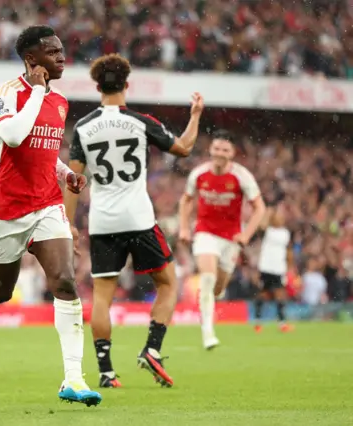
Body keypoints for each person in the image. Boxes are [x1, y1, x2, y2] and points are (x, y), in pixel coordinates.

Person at [0, 25, 101, 406]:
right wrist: (34, 91)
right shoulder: (3, 94)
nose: (62, 57)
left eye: (63, 50)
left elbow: (45, 153)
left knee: (65, 281)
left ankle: (73, 379)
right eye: (53, 52)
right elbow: (14, 137)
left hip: (47, 204)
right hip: (6, 207)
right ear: (32, 59)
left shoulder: (61, 101)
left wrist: (66, 174)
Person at [63, 53, 204, 388]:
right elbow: (183, 147)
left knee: (102, 297)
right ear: (127, 85)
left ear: (97, 87)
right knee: (168, 283)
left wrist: (68, 223)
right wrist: (195, 115)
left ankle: (106, 372)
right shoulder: (141, 122)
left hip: (103, 222)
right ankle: (152, 349)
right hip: (139, 218)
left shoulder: (84, 128)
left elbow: (73, 179)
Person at [178, 130, 266, 350]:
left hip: (231, 239)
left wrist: (246, 235)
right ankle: (208, 333)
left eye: (225, 150)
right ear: (210, 150)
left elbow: (259, 207)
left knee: (217, 288)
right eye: (216, 148)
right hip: (205, 233)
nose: (219, 153)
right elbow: (186, 200)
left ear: (233, 153)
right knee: (207, 278)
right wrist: (183, 228)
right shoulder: (198, 174)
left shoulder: (242, 176)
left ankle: (214, 295)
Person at [254, 205, 293, 332]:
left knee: (280, 294)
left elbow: (288, 251)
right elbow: (262, 225)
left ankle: (282, 323)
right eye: (278, 215)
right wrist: (267, 213)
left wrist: (290, 265)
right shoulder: (268, 231)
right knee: (264, 293)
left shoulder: (285, 233)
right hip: (266, 267)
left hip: (278, 268)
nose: (281, 218)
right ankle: (258, 322)